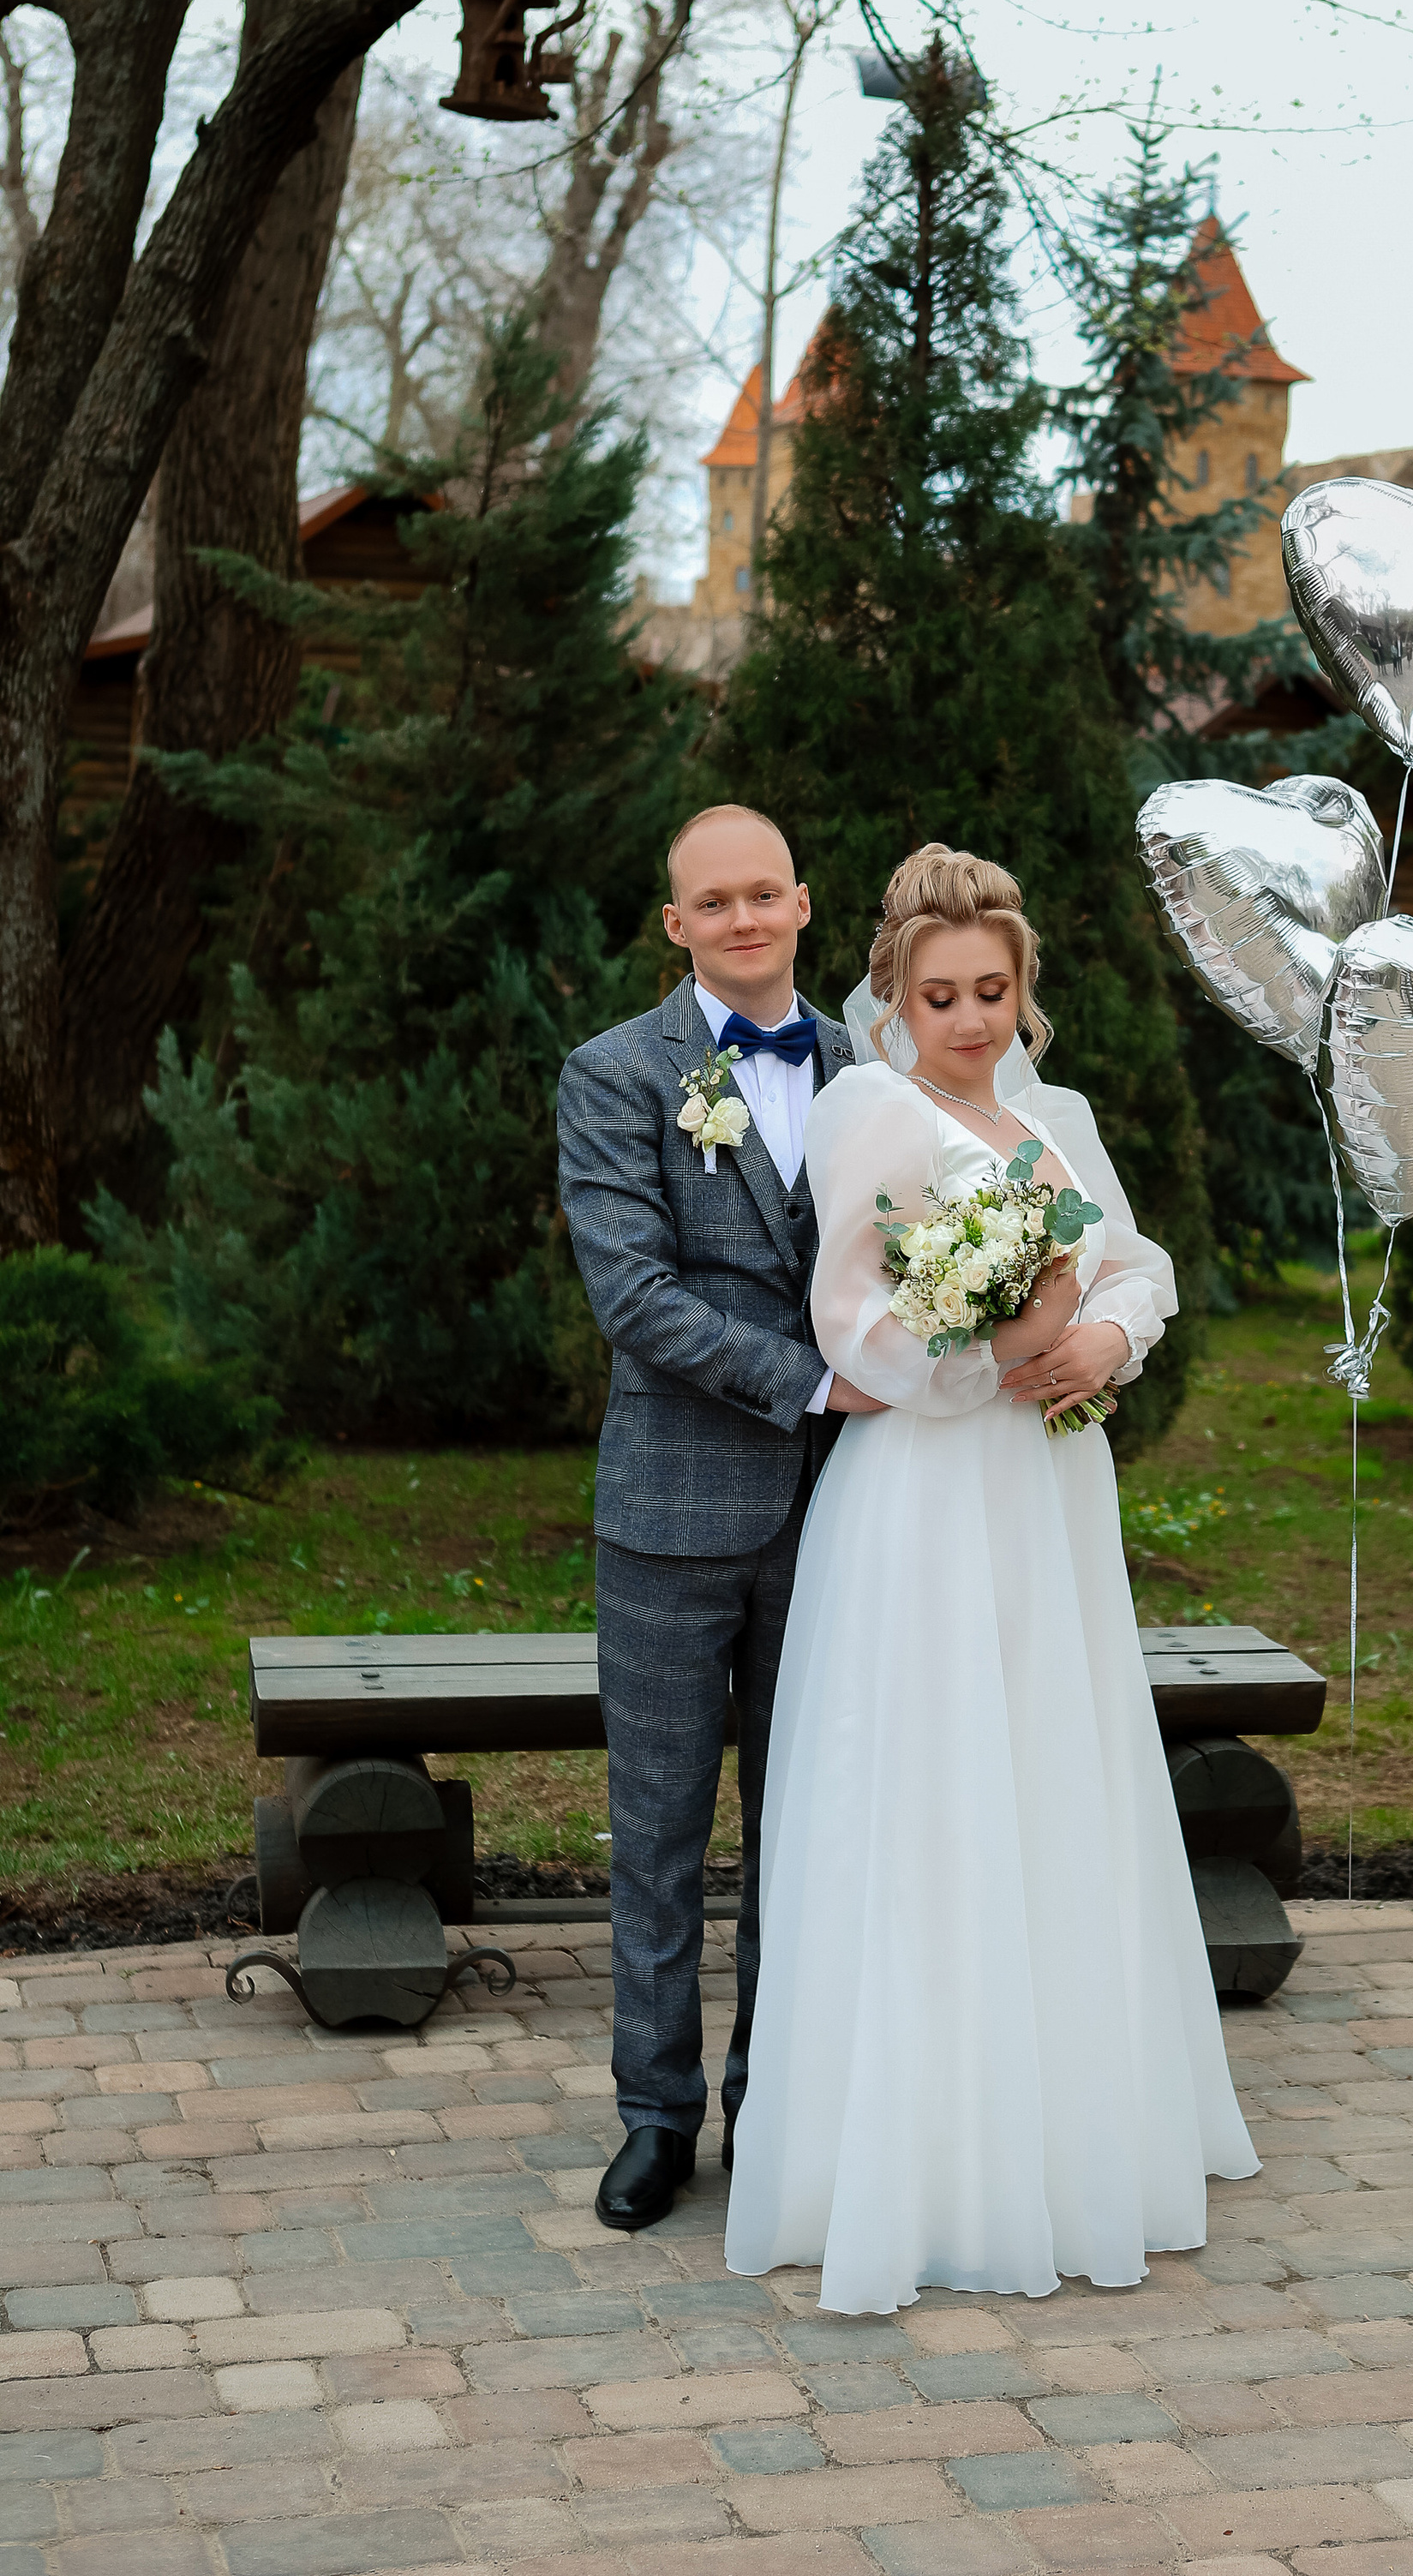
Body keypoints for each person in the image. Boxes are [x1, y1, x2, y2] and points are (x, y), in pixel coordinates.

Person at [724, 842, 1259, 2312]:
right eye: (941, 992)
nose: (969, 1017)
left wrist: (1105, 1344)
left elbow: (1136, 1265)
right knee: (934, 1792)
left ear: (1026, 994)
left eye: (993, 991)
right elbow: (860, 1334)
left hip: (1048, 1497)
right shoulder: (865, 1114)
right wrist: (1001, 1353)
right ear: (892, 995)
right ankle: (926, 2154)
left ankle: (1071, 2126)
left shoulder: (1060, 1114)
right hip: (926, 1499)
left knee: (1052, 1777)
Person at [556, 803, 886, 2235]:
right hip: (672, 1512)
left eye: (766, 894)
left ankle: (777, 2107)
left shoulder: (870, 1068)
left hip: (845, 1520)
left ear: (804, 906)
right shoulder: (617, 1073)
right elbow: (632, 1295)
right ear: (676, 923)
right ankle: (655, 2117)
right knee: (661, 1836)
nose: (744, 919)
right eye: (715, 901)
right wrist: (815, 1384)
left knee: (805, 1833)